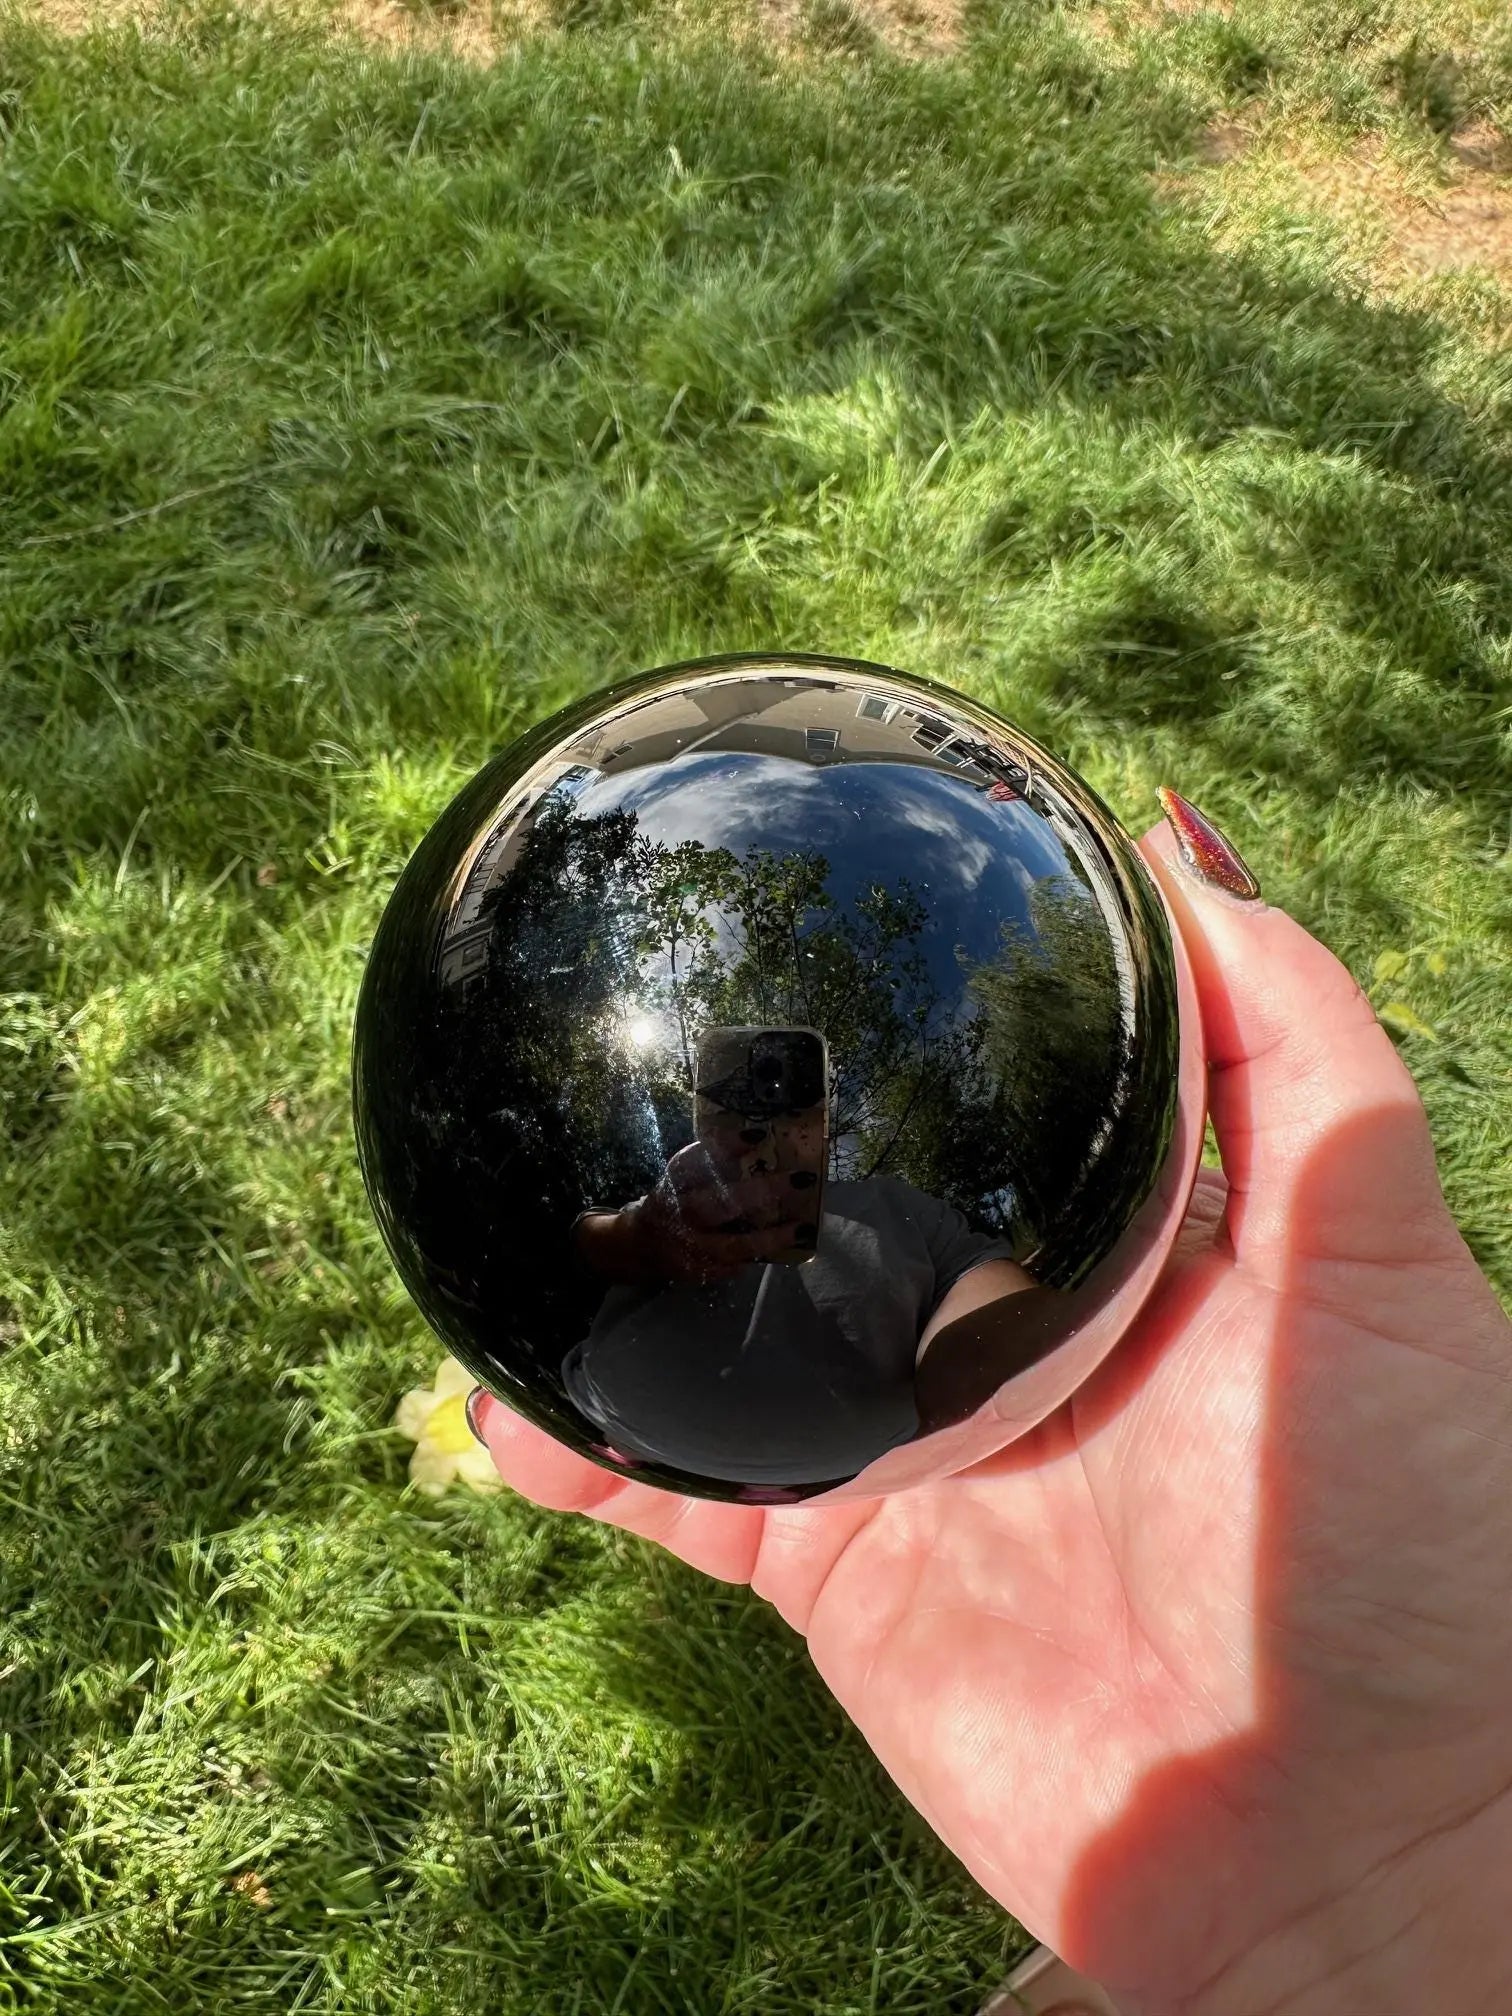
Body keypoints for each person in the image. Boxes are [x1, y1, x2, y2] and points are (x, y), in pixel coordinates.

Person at [464, 790, 1512, 2016]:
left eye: (790, 1107)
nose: (762, 1139)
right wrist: (632, 1242)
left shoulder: (898, 1218)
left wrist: (1449, 1836)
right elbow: (549, 1250)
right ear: (693, 1109)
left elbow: (992, 1326)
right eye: (733, 1110)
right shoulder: (650, 1218)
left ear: (824, 1114)